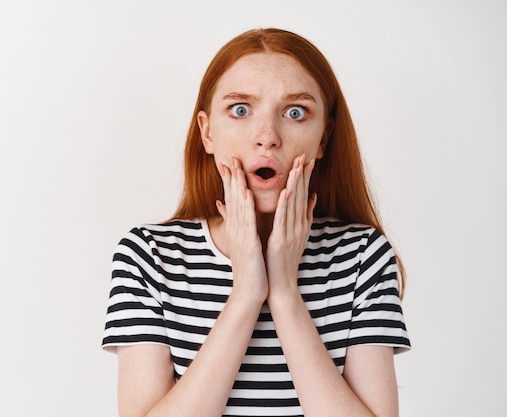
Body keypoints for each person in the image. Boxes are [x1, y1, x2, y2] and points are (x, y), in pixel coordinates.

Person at [102, 27, 410, 417]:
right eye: (241, 110)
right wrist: (246, 293)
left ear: (323, 138)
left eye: (295, 112)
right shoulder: (147, 257)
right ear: (207, 132)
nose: (267, 137)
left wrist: (283, 293)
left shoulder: (364, 256)